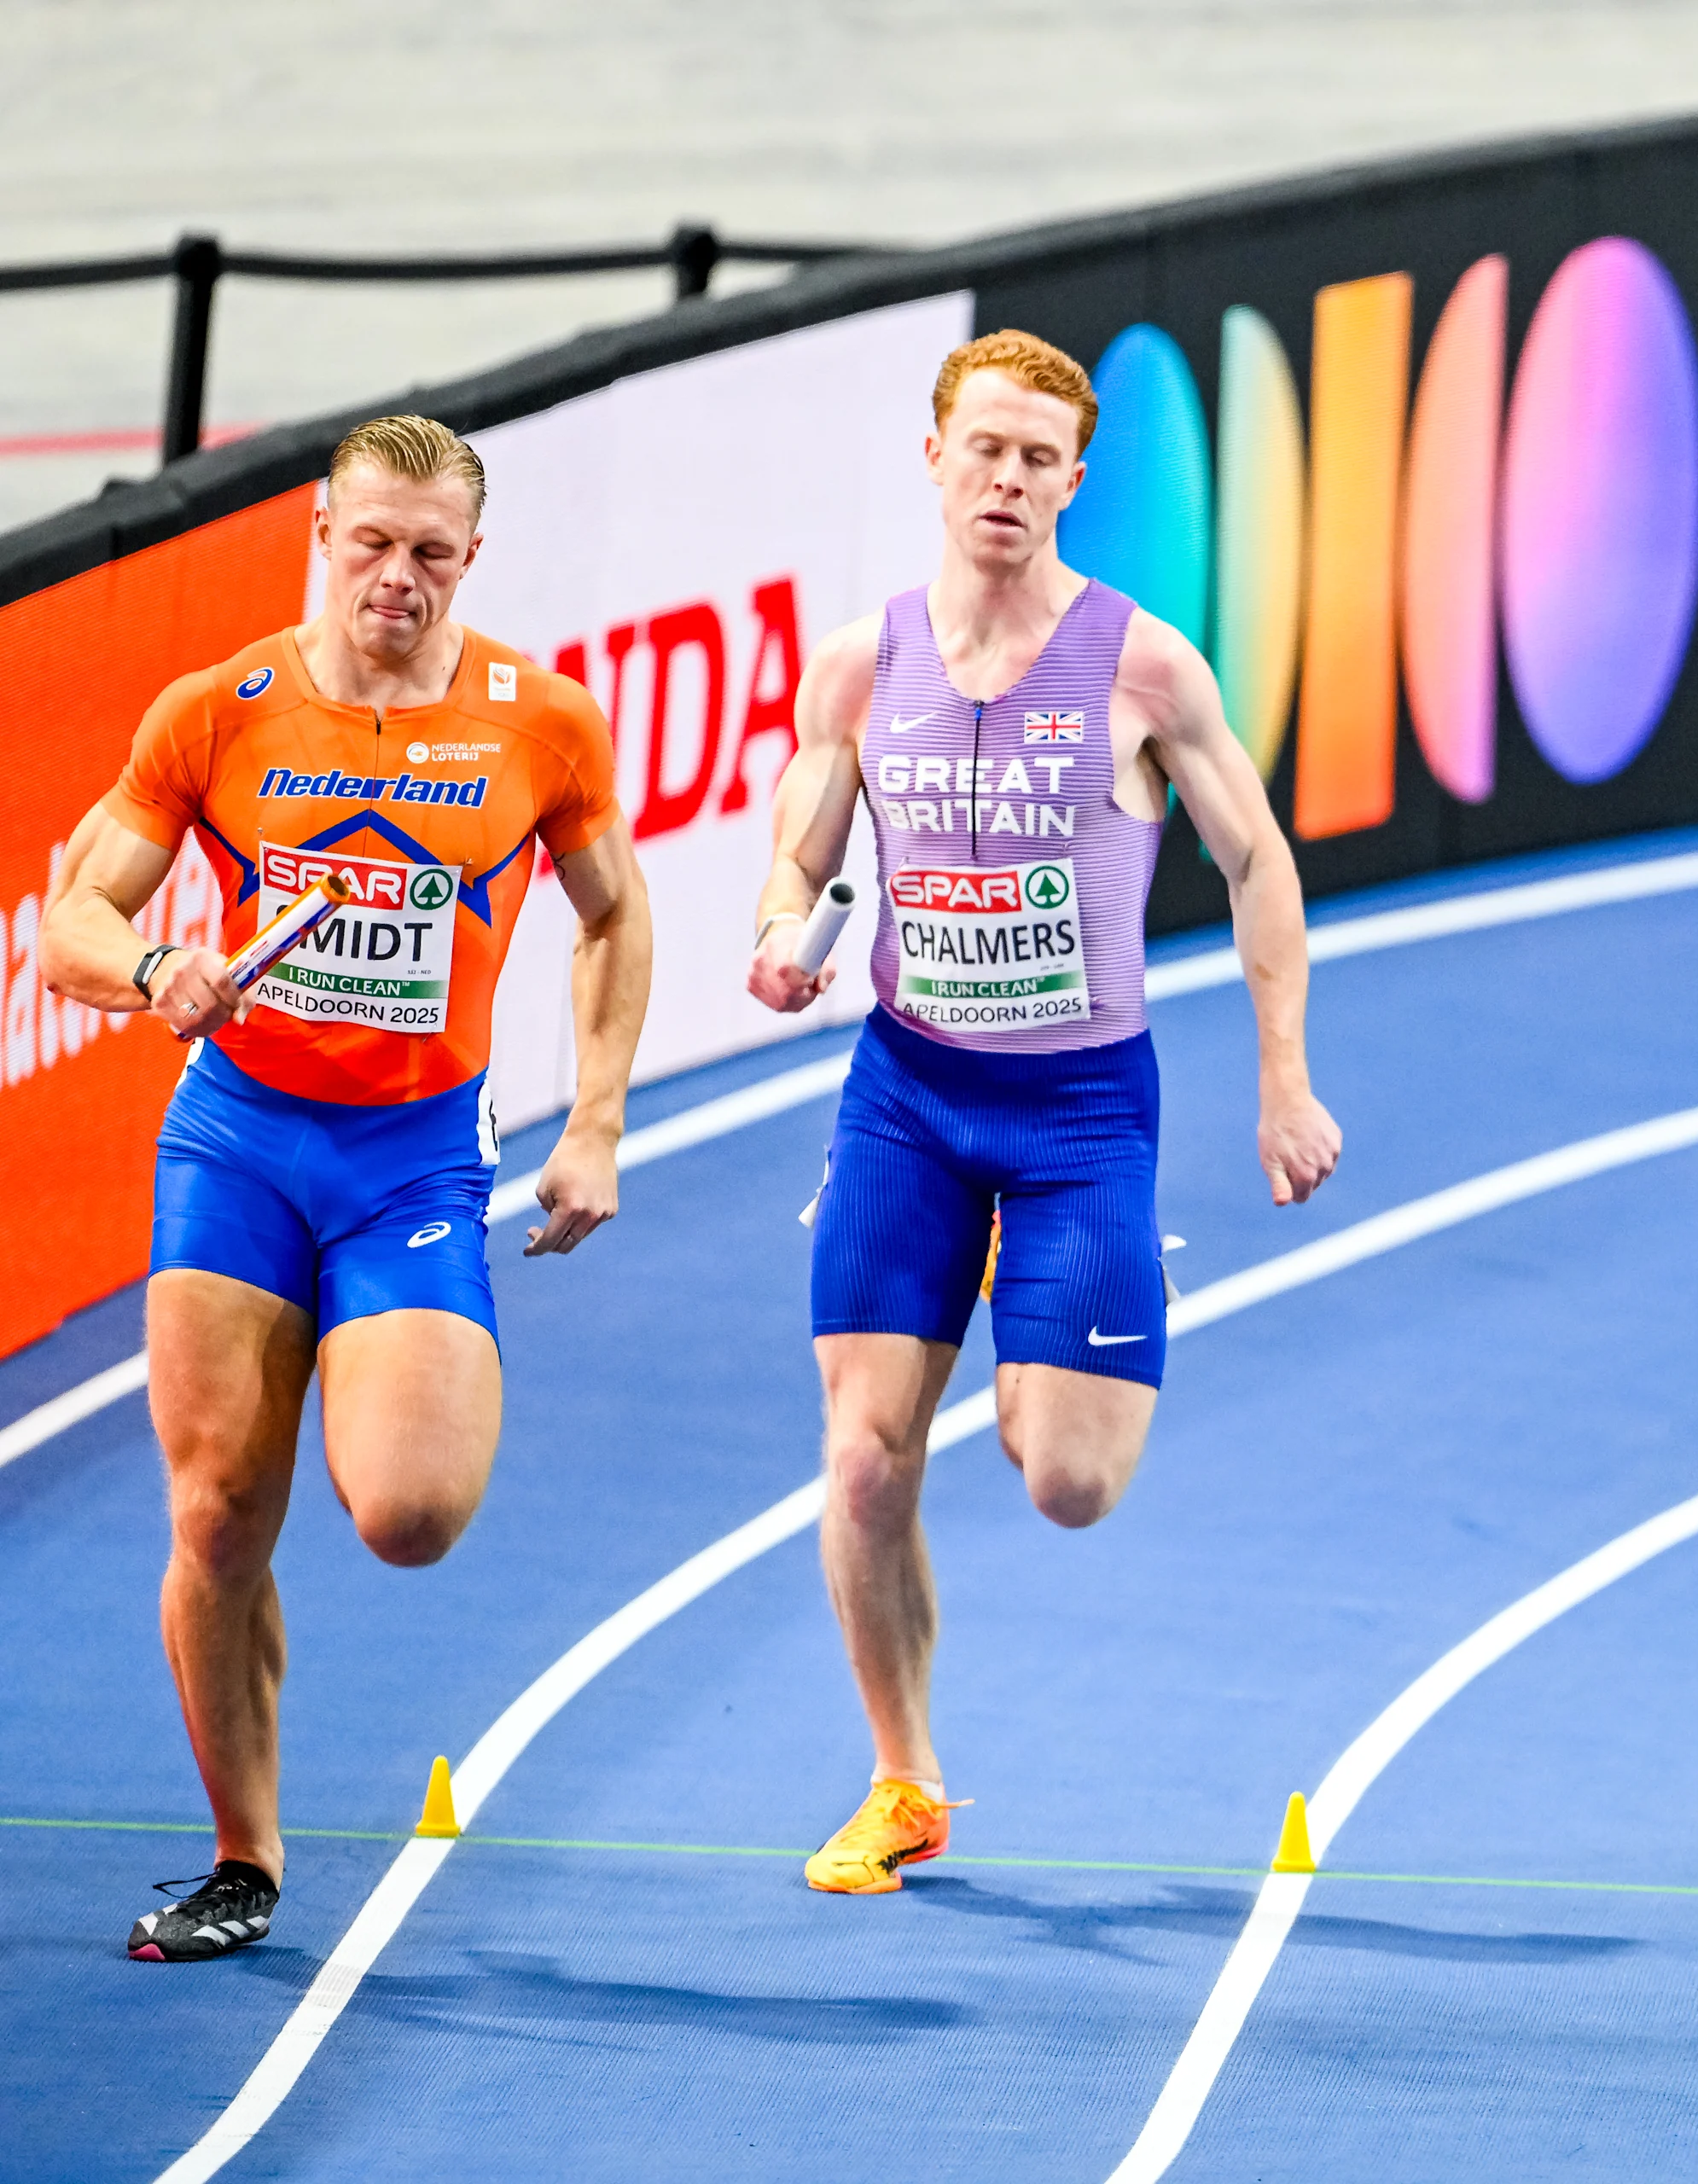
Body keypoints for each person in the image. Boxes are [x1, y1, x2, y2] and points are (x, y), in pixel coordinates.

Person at [43, 415, 652, 1962]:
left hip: (413, 1160)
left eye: (430, 554)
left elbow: (611, 912)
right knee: (219, 1508)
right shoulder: (219, 711)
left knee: (407, 1513)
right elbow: (73, 923)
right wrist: (160, 966)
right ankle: (243, 1858)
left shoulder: (540, 723)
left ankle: (343, 1431)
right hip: (239, 1144)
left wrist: (597, 1120)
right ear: (321, 528)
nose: (398, 578)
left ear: (471, 557)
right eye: (371, 542)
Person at [747, 330, 1340, 1894]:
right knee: (866, 1458)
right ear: (933, 459)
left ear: (1076, 478)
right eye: (983, 449)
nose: (1006, 480)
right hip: (909, 1095)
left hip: (1081, 1112)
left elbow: (1259, 861)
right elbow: (805, 844)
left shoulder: (1147, 666)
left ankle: (1045, 1296)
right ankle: (903, 1779)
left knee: (1069, 1483)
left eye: (1037, 457)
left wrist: (1284, 1077)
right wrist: (774, 935)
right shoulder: (865, 667)